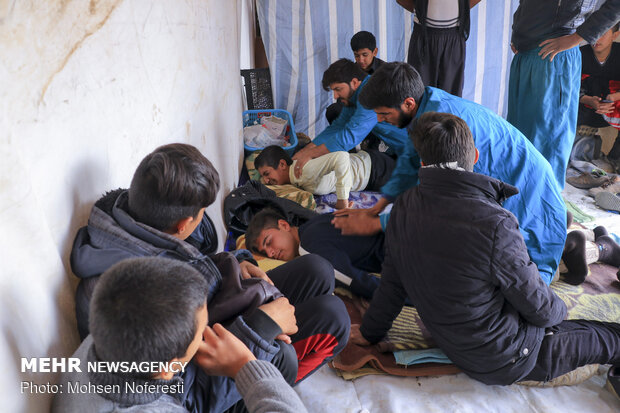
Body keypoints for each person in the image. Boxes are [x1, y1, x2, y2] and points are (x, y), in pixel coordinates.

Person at [350, 112, 620, 390]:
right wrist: (559, 309)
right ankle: (595, 248)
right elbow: (543, 312)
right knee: (610, 335)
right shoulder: (494, 223)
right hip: (509, 357)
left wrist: (370, 332)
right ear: (475, 156)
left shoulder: (404, 206)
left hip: (458, 347)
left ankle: (594, 247)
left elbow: (392, 287)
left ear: (422, 162)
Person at [70, 144, 349, 408]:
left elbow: (196, 263)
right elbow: (176, 389)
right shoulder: (126, 296)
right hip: (198, 381)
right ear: (183, 225)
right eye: (201, 214)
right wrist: (260, 331)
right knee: (319, 326)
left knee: (317, 270)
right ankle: (275, 386)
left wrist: (237, 262)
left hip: (205, 328)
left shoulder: (134, 218)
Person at [337, 61, 566, 285]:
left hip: (527, 190)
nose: (379, 120)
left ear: (407, 104)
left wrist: (378, 224)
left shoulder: (442, 127)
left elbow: (442, 201)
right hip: (517, 176)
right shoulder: (425, 106)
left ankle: (581, 247)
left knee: (516, 277)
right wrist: (378, 207)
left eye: (385, 114)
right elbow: (409, 163)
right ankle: (569, 242)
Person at [52, 257, 309, 413]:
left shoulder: (109, 325)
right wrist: (246, 363)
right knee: (284, 356)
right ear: (168, 369)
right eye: (202, 331)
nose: (209, 331)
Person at [507, 2, 620, 189]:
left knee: (546, 140)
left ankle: (542, 208)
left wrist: (578, 37)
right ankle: (518, 203)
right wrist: (518, 33)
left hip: (554, 55)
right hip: (526, 54)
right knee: (519, 136)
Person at [294, 59, 408, 174]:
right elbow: (338, 127)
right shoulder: (354, 97)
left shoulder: (370, 94)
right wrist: (306, 150)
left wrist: (311, 154)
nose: (335, 96)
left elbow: (350, 135)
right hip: (397, 150)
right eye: (333, 91)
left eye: (338, 89)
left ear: (354, 82)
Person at [245, 209, 385, 299]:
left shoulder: (308, 246)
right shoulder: (315, 224)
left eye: (269, 242)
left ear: (284, 225)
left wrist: (399, 295)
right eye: (266, 253)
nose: (271, 253)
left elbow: (353, 280)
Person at [255, 145, 395, 209]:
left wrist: (342, 200)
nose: (266, 181)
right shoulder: (295, 180)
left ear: (282, 164)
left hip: (375, 170)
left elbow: (341, 157)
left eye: (267, 174)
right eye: (263, 177)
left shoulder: (304, 171)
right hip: (370, 172)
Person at [396, 0, 482, 97]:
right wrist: (419, 8)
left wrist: (461, 8)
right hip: (424, 36)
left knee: (451, 95)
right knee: (419, 91)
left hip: (453, 37)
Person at [578, 23, 620, 169]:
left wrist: (615, 97)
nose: (597, 37)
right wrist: (587, 99)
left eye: (603, 33)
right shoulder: (578, 54)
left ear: (615, 35)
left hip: (613, 110)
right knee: (558, 105)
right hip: (583, 108)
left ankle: (613, 162)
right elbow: (566, 86)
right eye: (594, 31)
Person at [325, 31, 385, 124]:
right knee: (333, 110)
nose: (361, 60)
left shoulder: (385, 71)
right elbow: (341, 102)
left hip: (376, 116)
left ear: (375, 52)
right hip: (355, 114)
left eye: (365, 55)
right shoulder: (348, 73)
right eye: (357, 55)